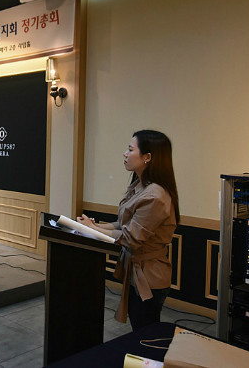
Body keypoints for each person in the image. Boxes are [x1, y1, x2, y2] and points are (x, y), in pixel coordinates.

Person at [76, 130, 179, 331]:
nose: (125, 153)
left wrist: (93, 231)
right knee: (140, 329)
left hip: (149, 276)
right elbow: (122, 224)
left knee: (145, 334)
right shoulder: (141, 186)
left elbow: (131, 237)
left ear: (147, 157)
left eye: (130, 149)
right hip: (138, 272)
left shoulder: (155, 195)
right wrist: (93, 227)